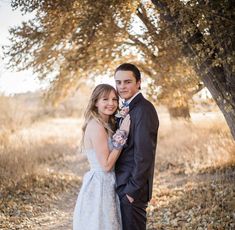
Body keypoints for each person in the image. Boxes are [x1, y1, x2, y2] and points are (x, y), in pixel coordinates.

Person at [73, 84, 130, 230]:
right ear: (96, 102)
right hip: (100, 184)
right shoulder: (96, 126)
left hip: (108, 182)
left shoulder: (106, 124)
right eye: (105, 99)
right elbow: (105, 166)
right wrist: (123, 133)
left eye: (114, 99)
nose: (111, 103)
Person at [114, 63, 159, 230]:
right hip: (123, 185)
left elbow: (144, 155)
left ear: (138, 83)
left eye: (127, 82)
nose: (122, 86)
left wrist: (131, 192)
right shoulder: (127, 108)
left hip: (132, 189)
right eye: (118, 82)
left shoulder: (144, 110)